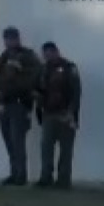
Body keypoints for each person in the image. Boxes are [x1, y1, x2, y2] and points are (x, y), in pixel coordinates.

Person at [0, 27, 40, 186]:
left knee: (17, 141)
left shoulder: (28, 56)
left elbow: (35, 77)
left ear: (18, 38)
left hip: (20, 104)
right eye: (6, 39)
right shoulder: (4, 56)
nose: (9, 42)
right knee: (9, 142)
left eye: (12, 38)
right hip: (5, 103)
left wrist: (17, 76)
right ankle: (14, 173)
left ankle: (21, 176)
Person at [36, 41, 81, 189]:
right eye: (45, 54)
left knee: (66, 150)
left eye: (50, 53)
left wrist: (71, 113)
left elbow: (75, 92)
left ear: (56, 52)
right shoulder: (44, 69)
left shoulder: (69, 67)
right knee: (46, 148)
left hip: (65, 114)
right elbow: (40, 90)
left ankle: (63, 180)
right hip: (49, 113)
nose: (48, 57)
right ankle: (46, 178)